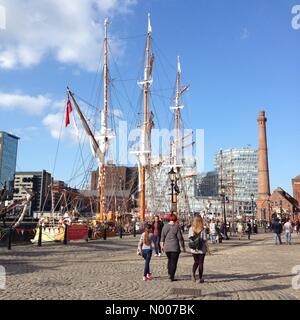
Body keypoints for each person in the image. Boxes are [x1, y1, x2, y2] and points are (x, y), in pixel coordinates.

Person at [160, 213, 185, 282]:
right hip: (175, 247)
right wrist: (183, 246)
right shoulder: (177, 227)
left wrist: (162, 246)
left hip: (167, 247)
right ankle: (171, 276)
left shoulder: (165, 227)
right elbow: (180, 238)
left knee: (169, 260)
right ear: (175, 219)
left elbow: (162, 238)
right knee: (174, 262)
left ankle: (169, 274)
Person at [188, 216, 208, 283]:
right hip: (201, 249)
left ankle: (193, 274)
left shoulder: (191, 229)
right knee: (201, 263)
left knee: (196, 262)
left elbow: (189, 237)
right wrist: (207, 248)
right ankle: (200, 278)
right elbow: (205, 239)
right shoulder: (203, 229)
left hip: (194, 249)